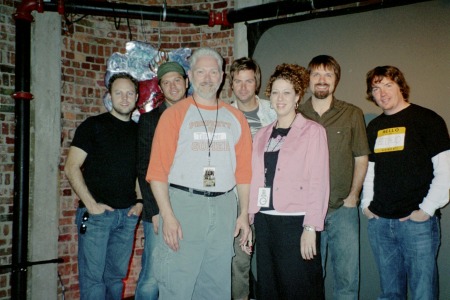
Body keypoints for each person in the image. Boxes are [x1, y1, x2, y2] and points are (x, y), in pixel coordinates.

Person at [147, 47, 253, 299]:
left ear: (222, 76)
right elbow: (157, 172)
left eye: (213, 72)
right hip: (184, 205)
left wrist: (243, 214)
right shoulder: (174, 115)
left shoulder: (236, 117)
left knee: (216, 287)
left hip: (225, 206)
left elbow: (244, 172)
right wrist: (167, 216)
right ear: (191, 76)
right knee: (177, 285)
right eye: (201, 72)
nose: (207, 78)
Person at [361, 65, 450, 300]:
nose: (382, 93)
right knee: (390, 294)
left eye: (388, 85)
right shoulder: (374, 127)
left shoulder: (427, 119)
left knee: (424, 294)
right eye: (376, 88)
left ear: (400, 86)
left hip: (417, 225)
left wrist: (426, 210)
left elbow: (445, 170)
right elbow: (370, 170)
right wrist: (366, 205)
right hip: (381, 224)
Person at [248, 63, 329, 299]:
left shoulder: (313, 131)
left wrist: (310, 227)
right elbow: (255, 179)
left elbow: (319, 181)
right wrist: (250, 219)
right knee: (270, 288)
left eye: (286, 92)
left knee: (299, 288)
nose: (280, 98)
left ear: (297, 97)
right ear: (269, 97)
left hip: (296, 224)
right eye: (275, 92)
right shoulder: (262, 134)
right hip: (265, 222)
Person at [65, 72, 142, 300]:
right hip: (97, 217)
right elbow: (71, 167)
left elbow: (139, 172)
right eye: (119, 93)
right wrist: (92, 205)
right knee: (93, 281)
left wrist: (139, 203)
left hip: (126, 217)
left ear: (137, 97)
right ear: (109, 96)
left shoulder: (138, 132)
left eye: (130, 93)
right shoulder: (93, 126)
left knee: (116, 280)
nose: (125, 98)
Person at [298, 55, 370, 299]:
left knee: (347, 281)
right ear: (308, 80)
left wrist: (353, 196)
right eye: (316, 74)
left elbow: (361, 158)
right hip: (305, 212)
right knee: (308, 281)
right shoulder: (296, 114)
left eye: (328, 75)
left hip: (342, 211)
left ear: (336, 80)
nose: (322, 80)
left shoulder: (352, 113)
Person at [135, 61, 189, 300]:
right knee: (152, 276)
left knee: (183, 272)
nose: (173, 86)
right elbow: (144, 168)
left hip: (190, 207)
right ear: (160, 88)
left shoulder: (199, 115)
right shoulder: (149, 121)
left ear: (186, 83)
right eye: (166, 83)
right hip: (158, 207)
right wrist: (155, 210)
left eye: (177, 80)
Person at [229, 57, 276, 300]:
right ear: (232, 84)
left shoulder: (274, 108)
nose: (244, 87)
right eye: (238, 81)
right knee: (240, 260)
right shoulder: (222, 113)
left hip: (273, 195)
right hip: (239, 197)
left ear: (256, 82)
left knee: (272, 258)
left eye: (249, 81)